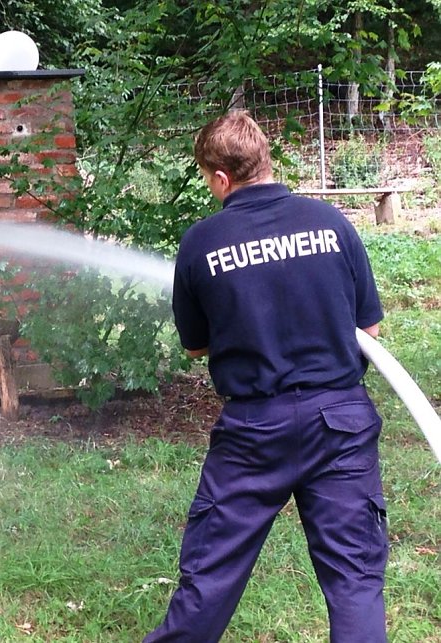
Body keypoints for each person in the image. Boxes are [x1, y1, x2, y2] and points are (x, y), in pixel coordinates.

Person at [143, 111, 388, 643]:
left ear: (221, 178)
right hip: (341, 422)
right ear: (265, 159)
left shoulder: (202, 243)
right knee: (355, 581)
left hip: (255, 430)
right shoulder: (332, 223)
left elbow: (196, 345)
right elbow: (368, 326)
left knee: (210, 576)